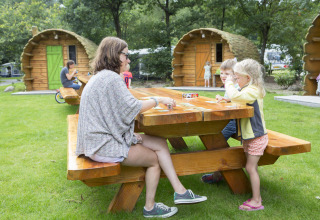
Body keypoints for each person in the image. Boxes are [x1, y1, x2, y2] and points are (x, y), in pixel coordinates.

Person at [76, 36, 207, 218]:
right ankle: (150, 207)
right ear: (115, 55)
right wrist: (158, 100)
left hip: (97, 140)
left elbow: (122, 108)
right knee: (154, 159)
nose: (129, 60)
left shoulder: (102, 76)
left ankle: (180, 191)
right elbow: (132, 107)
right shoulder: (112, 78)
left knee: (160, 142)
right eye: (126, 55)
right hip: (103, 145)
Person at [225, 58, 267, 211]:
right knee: (250, 167)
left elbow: (236, 97)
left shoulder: (253, 90)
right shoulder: (249, 89)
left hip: (256, 137)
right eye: (234, 76)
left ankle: (257, 201)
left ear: (248, 78)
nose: (235, 79)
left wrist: (228, 83)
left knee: (250, 168)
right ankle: (256, 198)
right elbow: (238, 100)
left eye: (237, 77)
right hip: (250, 136)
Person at [201, 59, 238, 184]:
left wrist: (228, 99)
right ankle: (218, 173)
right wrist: (224, 99)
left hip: (235, 123)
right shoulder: (230, 86)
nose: (223, 76)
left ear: (235, 75)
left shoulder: (236, 86)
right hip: (228, 120)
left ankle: (219, 173)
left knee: (216, 142)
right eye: (222, 73)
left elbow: (237, 100)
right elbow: (231, 99)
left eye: (227, 74)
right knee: (213, 137)